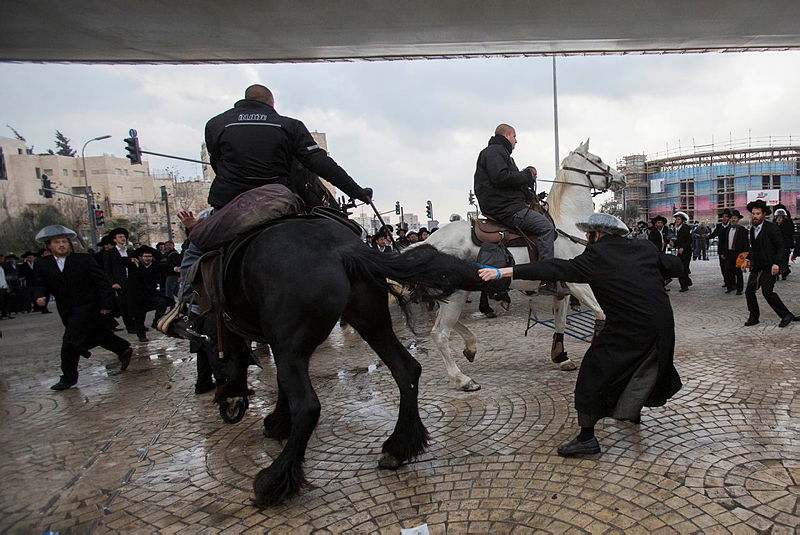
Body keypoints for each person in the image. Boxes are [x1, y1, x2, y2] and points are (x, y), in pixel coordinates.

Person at [161, 84, 372, 338]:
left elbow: (218, 164)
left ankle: (187, 309)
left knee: (196, 245)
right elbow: (319, 163)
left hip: (233, 205)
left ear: (243, 101)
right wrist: (357, 192)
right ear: (272, 104)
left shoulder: (216, 124)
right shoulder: (288, 125)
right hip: (278, 202)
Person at [478, 213, 683, 456]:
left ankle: (587, 438)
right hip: (662, 322)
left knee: (592, 373)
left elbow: (556, 267)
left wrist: (505, 272)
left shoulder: (596, 256)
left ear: (597, 235)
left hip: (628, 326)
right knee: (640, 365)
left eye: (588, 234)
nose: (586, 239)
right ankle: (631, 412)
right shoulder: (644, 247)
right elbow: (675, 266)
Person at [31, 225, 132, 390]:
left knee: (71, 341)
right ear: (49, 245)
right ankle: (123, 349)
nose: (62, 245)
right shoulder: (43, 264)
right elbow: (40, 284)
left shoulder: (83, 259)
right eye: (57, 242)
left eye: (64, 241)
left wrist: (106, 304)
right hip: (67, 310)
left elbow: (102, 282)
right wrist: (40, 296)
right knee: (97, 335)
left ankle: (68, 378)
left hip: (89, 306)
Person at [473, 123, 564, 296]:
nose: (516, 141)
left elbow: (509, 181)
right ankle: (547, 278)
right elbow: (501, 177)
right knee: (545, 227)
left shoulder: (500, 153)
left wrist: (527, 184)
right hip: (506, 208)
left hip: (507, 204)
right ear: (507, 135)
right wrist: (526, 175)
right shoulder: (494, 152)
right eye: (515, 137)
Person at [743, 200, 798, 328]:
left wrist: (777, 264)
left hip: (770, 266)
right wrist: (747, 259)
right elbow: (754, 248)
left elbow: (781, 247)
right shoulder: (752, 229)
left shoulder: (772, 228)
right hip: (757, 267)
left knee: (767, 292)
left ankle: (786, 315)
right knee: (749, 292)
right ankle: (754, 317)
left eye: (757, 214)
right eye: (753, 214)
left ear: (763, 215)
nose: (755, 216)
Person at [124, 245, 176, 342]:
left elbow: (166, 267)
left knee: (163, 302)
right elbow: (122, 261)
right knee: (139, 316)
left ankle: (156, 321)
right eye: (146, 256)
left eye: (149, 256)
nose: (148, 259)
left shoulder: (155, 265)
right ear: (140, 257)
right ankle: (141, 335)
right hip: (137, 296)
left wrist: (175, 269)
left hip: (151, 294)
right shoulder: (134, 265)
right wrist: (131, 259)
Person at [103, 227, 135, 333]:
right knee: (124, 305)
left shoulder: (130, 251)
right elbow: (107, 270)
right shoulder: (110, 253)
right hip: (120, 283)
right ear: (115, 239)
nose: (123, 239)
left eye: (124, 237)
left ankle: (137, 324)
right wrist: (113, 283)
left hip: (131, 281)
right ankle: (130, 326)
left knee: (134, 304)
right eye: (120, 237)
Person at [722, 210, 749, 295]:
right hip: (729, 253)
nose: (733, 220)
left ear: (738, 220)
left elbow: (746, 243)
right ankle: (730, 287)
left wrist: (745, 254)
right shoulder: (727, 230)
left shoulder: (742, 230)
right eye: (732, 218)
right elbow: (724, 243)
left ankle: (739, 289)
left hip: (738, 254)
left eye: (735, 218)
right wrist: (723, 253)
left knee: (738, 272)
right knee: (728, 271)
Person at [705, 209, 732, 288]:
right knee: (723, 267)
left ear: (729, 218)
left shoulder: (731, 226)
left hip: (730, 250)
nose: (724, 218)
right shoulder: (719, 226)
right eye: (723, 216)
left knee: (730, 268)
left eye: (726, 217)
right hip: (721, 249)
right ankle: (726, 281)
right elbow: (714, 234)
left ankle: (732, 283)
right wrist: (707, 236)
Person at [670, 211, 693, 292]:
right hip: (680, 251)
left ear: (682, 220)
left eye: (679, 219)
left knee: (683, 268)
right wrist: (674, 244)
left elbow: (689, 240)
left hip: (686, 251)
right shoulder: (677, 229)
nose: (677, 221)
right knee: (681, 268)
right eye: (676, 219)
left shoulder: (686, 228)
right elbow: (679, 240)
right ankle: (687, 282)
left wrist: (683, 247)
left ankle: (684, 285)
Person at [773, 206, 794, 280]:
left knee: (785, 260)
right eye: (778, 217)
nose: (779, 218)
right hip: (777, 245)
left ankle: (784, 272)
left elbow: (790, 234)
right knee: (777, 259)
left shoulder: (787, 224)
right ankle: (777, 273)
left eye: (781, 217)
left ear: (784, 217)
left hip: (785, 245)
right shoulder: (774, 224)